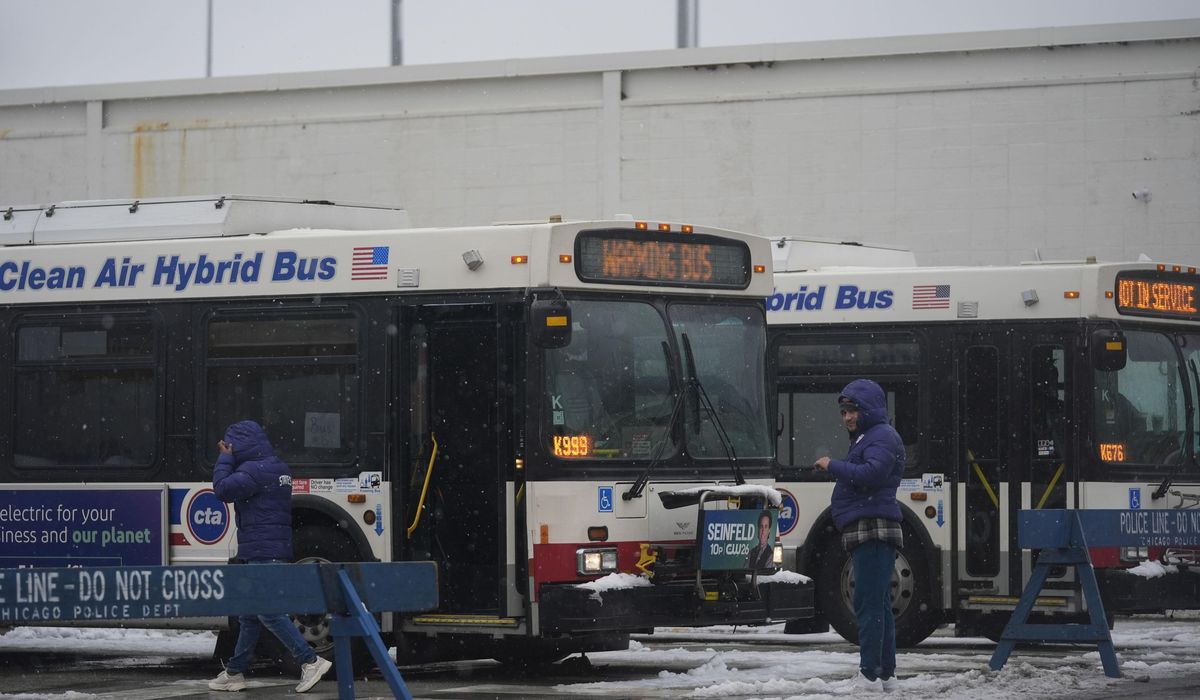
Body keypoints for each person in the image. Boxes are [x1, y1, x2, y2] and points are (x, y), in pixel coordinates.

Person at [207, 420, 333, 693]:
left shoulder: (252, 472)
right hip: (270, 549)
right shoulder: (277, 467)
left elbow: (221, 490)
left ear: (238, 445)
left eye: (230, 444)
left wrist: (225, 458)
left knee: (267, 612)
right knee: (250, 615)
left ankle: (309, 660)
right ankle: (235, 671)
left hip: (263, 551)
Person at [813, 379, 904, 691]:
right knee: (877, 604)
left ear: (869, 409)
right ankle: (886, 675)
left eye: (853, 410)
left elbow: (872, 474)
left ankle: (868, 676)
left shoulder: (881, 436)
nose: (848, 417)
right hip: (868, 528)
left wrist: (833, 465)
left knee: (868, 603)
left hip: (873, 530)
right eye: (844, 411)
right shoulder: (871, 436)